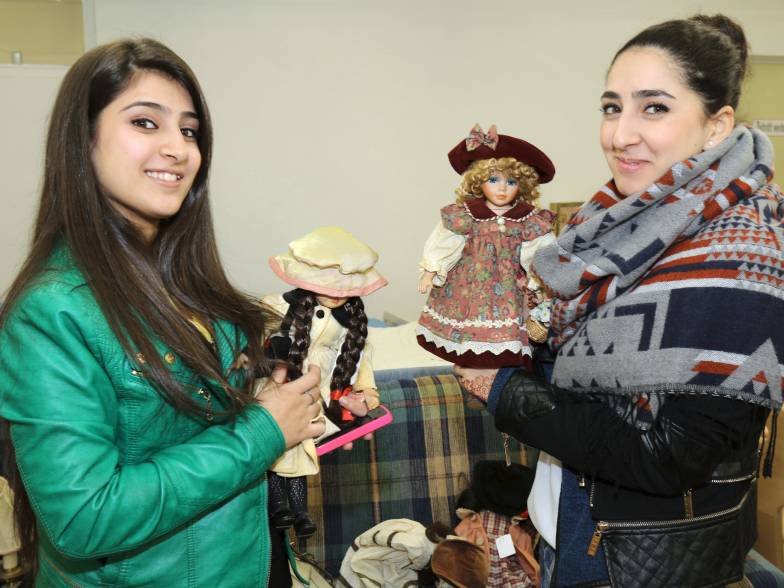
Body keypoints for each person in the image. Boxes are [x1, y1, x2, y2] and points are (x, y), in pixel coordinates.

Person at [458, 14, 782, 588]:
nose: (620, 134)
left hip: (638, 562)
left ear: (716, 125)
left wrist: (502, 389)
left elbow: (667, 457)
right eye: (612, 107)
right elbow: (591, 371)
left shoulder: (745, 254)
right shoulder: (620, 222)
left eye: (654, 107)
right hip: (571, 529)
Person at [0, 38, 325, 587]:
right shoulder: (52, 312)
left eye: (190, 131)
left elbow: (187, 421)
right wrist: (264, 430)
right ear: (83, 139)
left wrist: (281, 398)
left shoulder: (182, 278)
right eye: (145, 123)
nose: (178, 148)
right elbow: (83, 519)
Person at [262, 225, 387, 539]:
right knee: (280, 449)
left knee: (298, 449)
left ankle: (297, 512)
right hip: (280, 392)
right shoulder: (279, 307)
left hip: (320, 401)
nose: (336, 292)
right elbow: (249, 340)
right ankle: (282, 507)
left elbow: (364, 374)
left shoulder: (352, 328)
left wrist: (364, 400)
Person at [416, 124, 557, 369]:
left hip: (510, 288)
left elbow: (540, 251)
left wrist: (542, 281)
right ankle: (472, 362)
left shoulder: (528, 219)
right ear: (478, 181)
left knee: (509, 334)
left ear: (522, 185)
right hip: (469, 286)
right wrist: (431, 270)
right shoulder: (467, 215)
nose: (502, 188)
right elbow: (445, 242)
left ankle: (497, 369)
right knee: (468, 331)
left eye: (511, 181)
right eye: (493, 180)